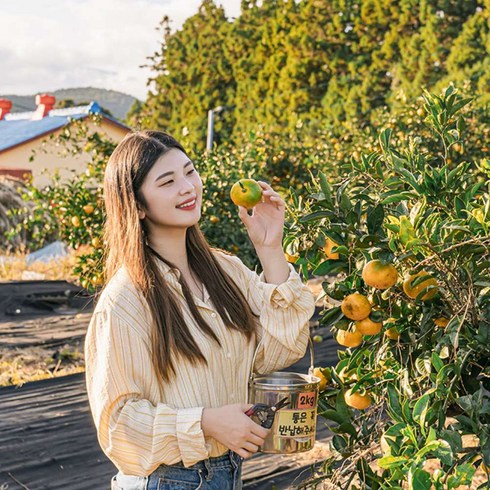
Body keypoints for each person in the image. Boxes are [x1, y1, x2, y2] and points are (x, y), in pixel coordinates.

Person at [84, 130, 316, 490]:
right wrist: (205, 422)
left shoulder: (225, 272)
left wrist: (270, 248)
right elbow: (118, 424)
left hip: (226, 474)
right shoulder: (127, 299)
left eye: (190, 172)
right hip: (164, 481)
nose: (187, 187)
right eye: (167, 181)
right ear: (138, 205)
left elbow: (280, 350)